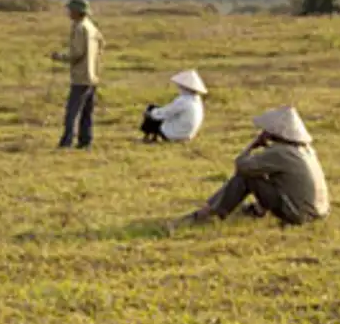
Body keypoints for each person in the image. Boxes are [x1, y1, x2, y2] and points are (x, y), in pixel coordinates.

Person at [177, 106, 329, 227]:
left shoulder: (280, 152)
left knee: (247, 177)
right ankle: (256, 210)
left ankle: (211, 212)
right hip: (319, 211)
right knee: (266, 175)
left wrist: (253, 145)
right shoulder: (306, 150)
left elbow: (241, 166)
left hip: (299, 214)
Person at [57, 0, 103, 150]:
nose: (68, 12)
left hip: (81, 77)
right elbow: (101, 44)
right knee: (86, 112)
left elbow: (76, 53)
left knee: (72, 111)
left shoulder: (79, 28)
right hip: (93, 75)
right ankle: (85, 141)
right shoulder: (91, 26)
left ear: (77, 11)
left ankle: (67, 141)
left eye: (70, 10)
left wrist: (60, 57)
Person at [141, 69, 207, 143]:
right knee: (157, 112)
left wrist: (150, 114)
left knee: (153, 110)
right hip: (188, 134)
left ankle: (147, 137)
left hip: (175, 133)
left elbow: (166, 112)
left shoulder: (184, 100)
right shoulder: (196, 100)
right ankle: (153, 137)